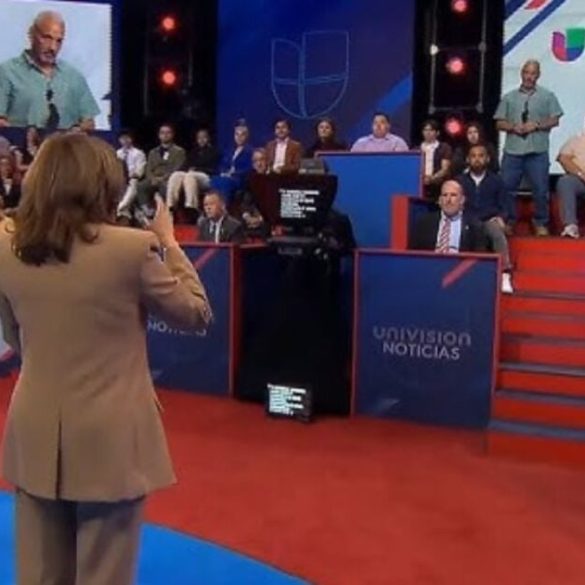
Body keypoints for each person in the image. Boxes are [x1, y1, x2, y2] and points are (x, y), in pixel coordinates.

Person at [0, 133, 211, 584]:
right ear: (103, 185)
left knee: (38, 575)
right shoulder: (132, 249)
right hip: (110, 440)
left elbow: (13, 334)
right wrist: (170, 243)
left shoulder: (6, 244)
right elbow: (195, 314)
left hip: (34, 429)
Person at [494, 59, 563, 236]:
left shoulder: (548, 96)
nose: (529, 77)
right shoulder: (509, 97)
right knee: (506, 188)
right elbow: (499, 122)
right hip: (513, 151)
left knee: (540, 190)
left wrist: (537, 125)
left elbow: (555, 120)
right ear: (521, 73)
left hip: (537, 151)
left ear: (538, 75)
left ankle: (540, 222)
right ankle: (508, 221)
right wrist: (512, 127)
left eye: (533, 73)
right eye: (526, 72)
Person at [0, 11, 100, 131]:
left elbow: (89, 122)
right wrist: (19, 137)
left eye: (59, 41)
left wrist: (77, 130)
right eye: (47, 38)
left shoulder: (74, 77)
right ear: (31, 34)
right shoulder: (6, 72)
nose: (53, 47)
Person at [456, 144, 513, 293]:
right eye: (473, 156)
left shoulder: (497, 181)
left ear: (487, 159)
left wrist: (501, 217)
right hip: (466, 219)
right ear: (468, 159)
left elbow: (505, 205)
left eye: (481, 156)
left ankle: (504, 274)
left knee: (496, 231)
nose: (477, 159)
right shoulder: (460, 181)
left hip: (489, 219)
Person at [409, 179, 487, 253]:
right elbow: (414, 253)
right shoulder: (425, 223)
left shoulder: (475, 226)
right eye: (445, 195)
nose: (448, 199)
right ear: (440, 200)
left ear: (462, 200)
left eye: (453, 195)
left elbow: (479, 257)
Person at [166, 128, 220, 219]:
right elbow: (185, 165)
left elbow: (214, 169)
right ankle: (170, 207)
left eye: (204, 137)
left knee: (190, 175)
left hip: (206, 177)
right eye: (199, 138)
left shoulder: (214, 152)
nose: (201, 140)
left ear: (208, 138)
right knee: (176, 175)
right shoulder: (194, 152)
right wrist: (183, 170)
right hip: (190, 176)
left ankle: (191, 208)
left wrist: (196, 169)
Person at [136, 124, 185, 212]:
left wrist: (163, 178)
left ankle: (167, 211)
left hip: (168, 179)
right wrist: (152, 178)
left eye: (168, 133)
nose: (165, 135)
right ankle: (147, 210)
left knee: (165, 187)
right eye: (162, 133)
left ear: (172, 135)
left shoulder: (179, 151)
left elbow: (177, 168)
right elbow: (148, 169)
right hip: (154, 178)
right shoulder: (153, 152)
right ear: (159, 135)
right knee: (141, 186)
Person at [210, 120, 254, 203]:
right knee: (214, 179)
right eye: (237, 134)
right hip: (225, 176)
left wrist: (232, 173)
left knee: (225, 182)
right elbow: (222, 164)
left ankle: (223, 206)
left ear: (247, 136)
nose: (239, 137)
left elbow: (249, 168)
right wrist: (223, 172)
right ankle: (213, 206)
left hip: (238, 178)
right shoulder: (229, 150)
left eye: (242, 134)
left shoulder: (250, 151)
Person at [556, 129, 585, 238]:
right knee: (565, 181)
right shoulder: (578, 139)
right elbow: (563, 158)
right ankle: (570, 226)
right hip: (581, 181)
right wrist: (581, 174)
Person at [116, 129, 147, 220]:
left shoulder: (138, 153)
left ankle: (119, 209)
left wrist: (129, 176)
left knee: (132, 183)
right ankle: (123, 212)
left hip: (133, 179)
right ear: (119, 140)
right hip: (119, 179)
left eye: (127, 138)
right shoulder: (117, 153)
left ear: (132, 139)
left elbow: (140, 171)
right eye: (122, 138)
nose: (125, 140)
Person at [420, 119, 452, 200]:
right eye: (425, 130)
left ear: (437, 133)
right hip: (420, 186)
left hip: (438, 185)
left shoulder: (444, 147)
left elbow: (445, 169)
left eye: (431, 130)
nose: (428, 133)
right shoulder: (417, 149)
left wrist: (431, 179)